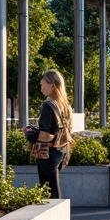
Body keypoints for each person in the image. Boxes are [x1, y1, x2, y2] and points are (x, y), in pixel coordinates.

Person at [33, 69, 73, 200]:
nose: (41, 87)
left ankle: (55, 219)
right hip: (62, 151)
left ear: (52, 85)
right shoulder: (65, 106)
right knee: (54, 187)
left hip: (47, 152)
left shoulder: (48, 105)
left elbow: (44, 134)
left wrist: (31, 133)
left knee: (48, 190)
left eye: (42, 84)